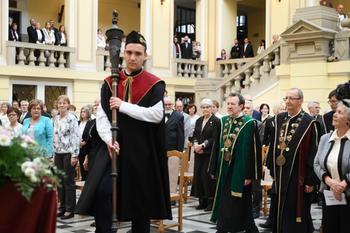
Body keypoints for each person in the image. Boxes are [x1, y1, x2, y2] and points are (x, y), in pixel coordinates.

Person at [75, 30, 172, 233]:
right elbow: (101, 115)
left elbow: (156, 115)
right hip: (114, 148)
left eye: (138, 53)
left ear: (145, 55)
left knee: (139, 201)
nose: (132, 57)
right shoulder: (111, 81)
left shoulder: (154, 83)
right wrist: (109, 139)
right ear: (123, 53)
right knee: (102, 190)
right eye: (128, 52)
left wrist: (122, 105)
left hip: (141, 152)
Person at [267, 88, 320, 233]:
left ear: (301, 101)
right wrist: (272, 168)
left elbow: (313, 153)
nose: (288, 101)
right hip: (280, 172)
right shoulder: (279, 119)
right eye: (286, 98)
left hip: (299, 175)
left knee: (296, 208)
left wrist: (310, 180)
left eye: (291, 98)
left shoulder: (310, 123)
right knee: (279, 206)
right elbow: (273, 146)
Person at [209, 93, 261, 233]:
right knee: (228, 201)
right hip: (223, 168)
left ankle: (224, 229)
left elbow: (253, 152)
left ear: (241, 106)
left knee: (236, 202)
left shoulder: (250, 123)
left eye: (233, 104)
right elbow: (216, 146)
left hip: (240, 170)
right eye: (228, 104)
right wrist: (213, 168)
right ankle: (249, 228)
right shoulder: (222, 121)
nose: (229, 106)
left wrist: (249, 175)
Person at [314, 99, 350, 233]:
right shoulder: (325, 138)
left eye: (340, 113)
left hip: (348, 195)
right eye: (335, 111)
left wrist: (342, 184)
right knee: (330, 228)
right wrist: (329, 181)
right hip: (329, 195)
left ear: (348, 120)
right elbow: (316, 163)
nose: (334, 114)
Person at [259, 102, 286, 230]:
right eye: (280, 109)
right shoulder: (271, 121)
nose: (283, 110)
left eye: (284, 109)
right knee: (274, 194)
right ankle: (271, 220)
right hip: (273, 158)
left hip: (285, 162)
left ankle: (279, 221)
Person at [191, 99, 220, 212]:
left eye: (208, 107)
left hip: (209, 154)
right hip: (199, 153)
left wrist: (202, 146)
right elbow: (194, 135)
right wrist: (196, 145)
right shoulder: (198, 120)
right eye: (203, 107)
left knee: (208, 177)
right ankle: (202, 200)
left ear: (212, 108)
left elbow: (214, 138)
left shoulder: (216, 121)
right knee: (199, 176)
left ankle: (210, 201)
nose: (205, 109)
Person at [54, 95, 79, 220]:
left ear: (68, 105)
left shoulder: (72, 118)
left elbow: (75, 136)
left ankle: (70, 209)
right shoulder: (56, 118)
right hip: (58, 153)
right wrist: (54, 154)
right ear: (57, 105)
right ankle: (62, 207)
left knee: (68, 181)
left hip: (69, 152)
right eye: (60, 103)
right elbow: (55, 137)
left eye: (64, 103)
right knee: (59, 181)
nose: (62, 105)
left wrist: (74, 155)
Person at [243, 100, 263, 219]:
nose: (245, 110)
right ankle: (244, 207)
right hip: (241, 159)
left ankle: (256, 208)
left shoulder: (258, 124)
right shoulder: (239, 123)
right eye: (244, 108)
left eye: (248, 108)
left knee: (255, 187)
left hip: (254, 158)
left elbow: (258, 143)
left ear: (252, 110)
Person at [78, 106, 91, 181]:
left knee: (85, 165)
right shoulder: (78, 122)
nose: (82, 113)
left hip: (85, 146)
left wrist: (84, 142)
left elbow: (89, 134)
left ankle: (86, 181)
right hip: (78, 146)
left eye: (84, 112)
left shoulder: (90, 122)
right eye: (81, 112)